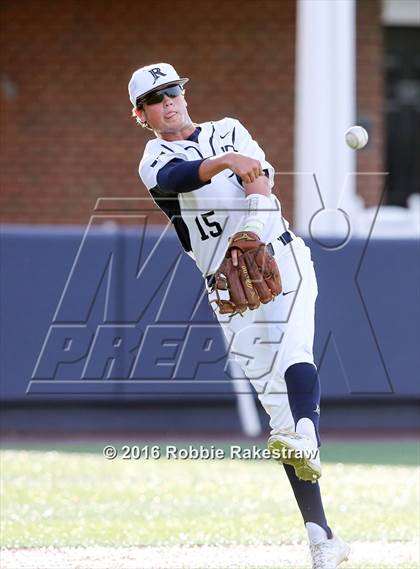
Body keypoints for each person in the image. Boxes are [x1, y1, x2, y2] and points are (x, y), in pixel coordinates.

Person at [128, 63, 350, 569]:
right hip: (228, 290)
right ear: (141, 114)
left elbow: (261, 179)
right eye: (157, 97)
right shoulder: (153, 158)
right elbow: (179, 178)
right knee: (279, 417)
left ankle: (310, 434)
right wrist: (226, 161)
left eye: (175, 90)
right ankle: (321, 537)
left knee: (295, 349)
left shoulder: (229, 126)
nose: (171, 100)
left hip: (279, 257)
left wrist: (250, 229)